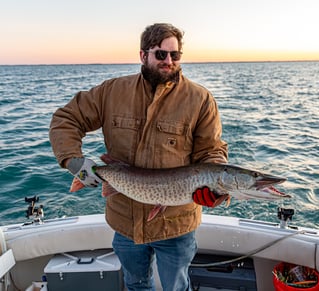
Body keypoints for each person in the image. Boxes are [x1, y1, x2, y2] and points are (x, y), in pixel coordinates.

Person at [49, 23, 228, 291]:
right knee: (136, 285)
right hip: (125, 222)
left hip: (176, 225)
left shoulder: (200, 99)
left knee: (177, 288)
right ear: (143, 55)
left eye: (175, 55)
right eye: (160, 54)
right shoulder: (112, 91)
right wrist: (76, 163)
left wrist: (215, 189)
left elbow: (211, 152)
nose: (169, 61)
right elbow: (66, 119)